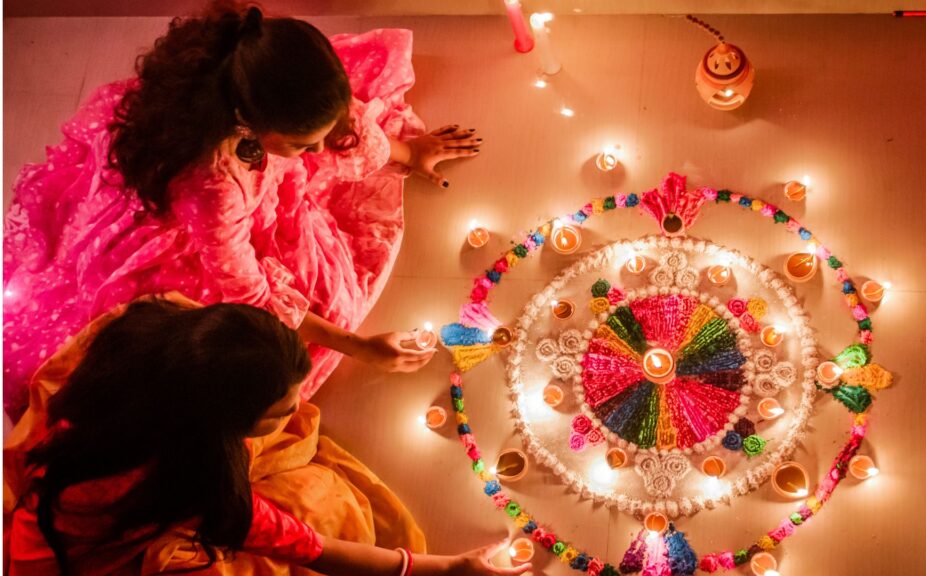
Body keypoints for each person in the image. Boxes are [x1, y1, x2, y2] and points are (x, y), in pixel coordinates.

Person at [2, 1, 482, 418]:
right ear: (249, 125)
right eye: (302, 144)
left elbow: (344, 128)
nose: (320, 153)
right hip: (192, 239)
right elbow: (252, 297)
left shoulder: (273, 76)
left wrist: (408, 154)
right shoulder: (211, 186)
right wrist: (359, 347)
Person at [4, 295, 530, 575]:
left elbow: (271, 319)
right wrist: (451, 570)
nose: (300, 411)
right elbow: (316, 549)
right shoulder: (190, 485)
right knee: (328, 501)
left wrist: (361, 345)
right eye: (281, 410)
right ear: (218, 428)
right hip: (60, 554)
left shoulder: (165, 325)